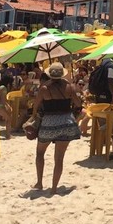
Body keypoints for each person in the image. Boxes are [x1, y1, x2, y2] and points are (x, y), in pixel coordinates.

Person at [32, 63, 82, 194]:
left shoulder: (44, 88)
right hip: (66, 122)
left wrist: (34, 116)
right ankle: (54, 188)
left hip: (49, 123)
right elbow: (78, 104)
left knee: (40, 153)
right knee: (59, 158)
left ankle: (39, 183)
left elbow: (35, 106)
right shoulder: (69, 87)